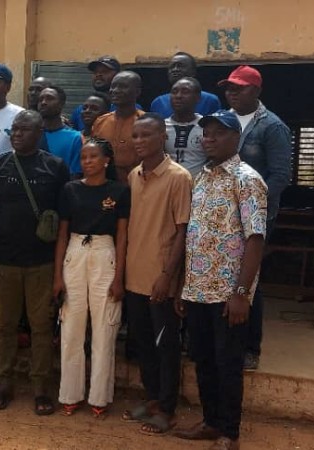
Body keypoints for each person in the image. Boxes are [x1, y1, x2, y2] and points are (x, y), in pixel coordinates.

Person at [174, 110, 267, 450]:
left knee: (228, 363)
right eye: (206, 133)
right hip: (198, 289)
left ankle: (230, 432)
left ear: (235, 138)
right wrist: (184, 287)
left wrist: (241, 293)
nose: (209, 138)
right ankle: (211, 422)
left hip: (228, 293)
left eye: (218, 133)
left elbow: (255, 238)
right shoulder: (202, 177)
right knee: (203, 359)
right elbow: (194, 236)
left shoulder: (247, 179)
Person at [0, 110, 70, 414]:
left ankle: (41, 386)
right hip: (3, 261)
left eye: (24, 130)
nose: (16, 134)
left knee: (41, 326)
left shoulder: (55, 167)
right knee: (4, 325)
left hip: (41, 263)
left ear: (40, 131)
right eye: (14, 130)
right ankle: (4, 382)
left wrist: (59, 268)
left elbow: (62, 221)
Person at [122, 113, 193, 436]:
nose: (139, 141)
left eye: (146, 135)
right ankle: (151, 399)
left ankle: (167, 408)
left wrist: (168, 275)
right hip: (134, 276)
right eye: (135, 136)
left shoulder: (179, 178)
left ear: (162, 136)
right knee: (144, 346)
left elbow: (183, 231)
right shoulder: (134, 176)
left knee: (166, 347)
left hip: (160, 278)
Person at [220, 65, 291, 371]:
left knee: (249, 279)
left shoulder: (272, 127)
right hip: (221, 214)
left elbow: (280, 176)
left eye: (239, 88)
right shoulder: (222, 121)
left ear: (257, 91)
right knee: (223, 274)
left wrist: (252, 205)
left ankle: (251, 347)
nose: (232, 93)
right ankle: (225, 340)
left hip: (256, 216)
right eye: (229, 88)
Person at [54, 138, 129, 418]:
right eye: (84, 157)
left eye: (93, 156)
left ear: (106, 160)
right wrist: (57, 276)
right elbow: (62, 234)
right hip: (74, 253)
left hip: (104, 254)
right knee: (71, 326)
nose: (87, 161)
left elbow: (122, 237)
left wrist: (119, 276)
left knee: (104, 326)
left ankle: (99, 396)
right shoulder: (70, 190)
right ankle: (70, 393)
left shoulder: (120, 191)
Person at [92, 71, 145, 184]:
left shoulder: (145, 122)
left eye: (122, 87)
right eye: (113, 86)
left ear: (137, 92)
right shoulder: (100, 122)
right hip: (104, 188)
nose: (115, 91)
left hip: (136, 187)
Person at [150, 52, 222, 118]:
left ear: (193, 71)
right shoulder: (158, 102)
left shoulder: (210, 100)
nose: (175, 69)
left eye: (180, 66)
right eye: (172, 67)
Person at [37, 86, 83, 177]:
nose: (43, 102)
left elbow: (76, 174)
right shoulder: (32, 134)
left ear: (61, 104)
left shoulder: (75, 138)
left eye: (49, 98)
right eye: (40, 99)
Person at [165, 78, 207, 177]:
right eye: (174, 92)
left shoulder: (206, 126)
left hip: (198, 188)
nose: (178, 96)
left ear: (198, 97)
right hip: (169, 188)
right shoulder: (161, 127)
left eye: (185, 92)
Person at [69, 56, 119, 132]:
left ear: (118, 76)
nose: (98, 75)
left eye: (105, 71)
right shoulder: (81, 110)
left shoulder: (128, 109)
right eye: (95, 72)